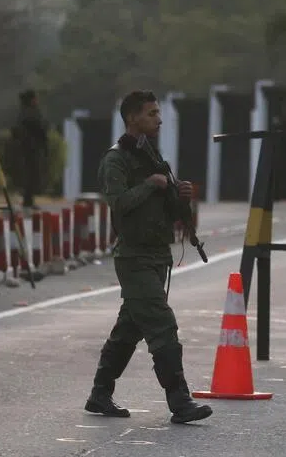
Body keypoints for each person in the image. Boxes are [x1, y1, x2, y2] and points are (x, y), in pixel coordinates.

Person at [83, 90, 212, 425]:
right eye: (151, 113)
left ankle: (100, 393)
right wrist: (151, 185)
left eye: (158, 112)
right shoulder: (117, 160)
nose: (159, 118)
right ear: (132, 118)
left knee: (129, 329)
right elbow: (118, 203)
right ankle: (180, 401)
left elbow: (168, 210)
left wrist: (178, 193)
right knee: (162, 325)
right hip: (134, 257)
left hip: (157, 256)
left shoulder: (152, 157)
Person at [12, 89, 49, 210]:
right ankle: (27, 200)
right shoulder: (29, 113)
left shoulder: (26, 112)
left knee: (31, 174)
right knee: (30, 174)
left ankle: (28, 199)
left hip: (29, 148)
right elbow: (38, 129)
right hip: (30, 148)